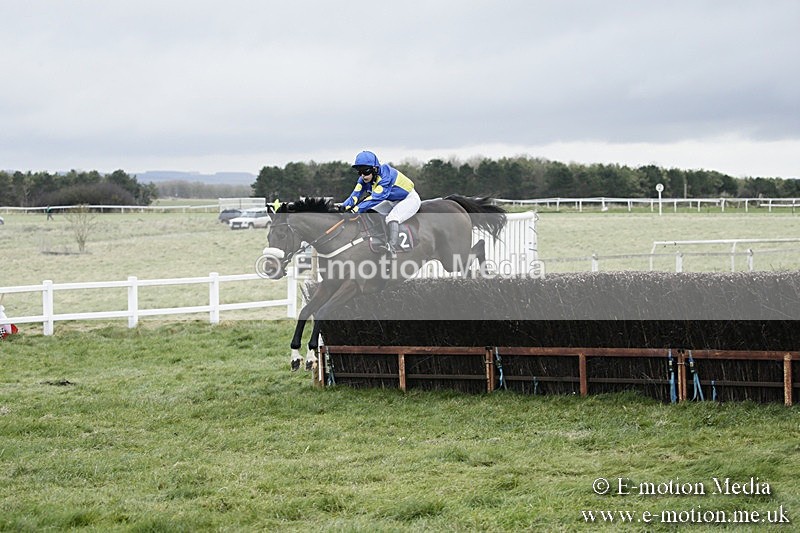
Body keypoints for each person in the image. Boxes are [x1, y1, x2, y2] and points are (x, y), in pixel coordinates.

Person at [341, 150, 421, 257]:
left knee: (392, 218)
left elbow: (374, 198)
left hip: (408, 199)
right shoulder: (363, 179)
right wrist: (342, 208)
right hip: (392, 201)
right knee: (371, 212)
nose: (363, 176)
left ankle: (391, 249)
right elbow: (354, 196)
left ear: (375, 169)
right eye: (360, 172)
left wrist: (354, 210)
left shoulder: (386, 177)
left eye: (366, 172)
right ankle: (379, 238)